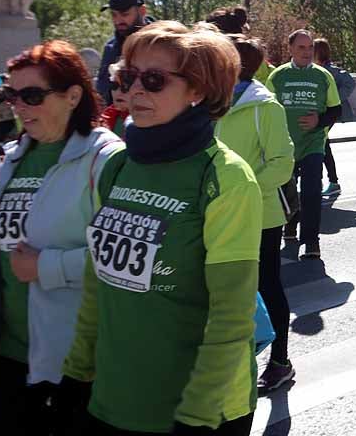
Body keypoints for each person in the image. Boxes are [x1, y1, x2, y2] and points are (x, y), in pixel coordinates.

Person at [61, 21, 262, 435]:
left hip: (197, 410)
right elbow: (97, 282)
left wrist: (198, 414)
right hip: (114, 398)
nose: (134, 90)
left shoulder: (225, 177)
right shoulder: (118, 165)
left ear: (198, 90)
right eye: (127, 76)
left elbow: (231, 315)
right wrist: (77, 373)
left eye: (153, 80)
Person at [0, 41, 122, 435]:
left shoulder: (105, 158)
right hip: (8, 351)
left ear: (73, 96)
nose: (18, 107)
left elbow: (123, 258)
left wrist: (46, 266)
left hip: (71, 358)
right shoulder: (12, 155)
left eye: (31, 95)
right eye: (12, 95)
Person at [215, 34, 297, 393]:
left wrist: (241, 193)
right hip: (218, 214)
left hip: (259, 214)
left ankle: (280, 361)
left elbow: (282, 164)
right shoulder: (210, 103)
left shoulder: (267, 107)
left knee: (266, 286)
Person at [267, 30, 342, 260]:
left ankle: (311, 242)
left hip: (313, 145)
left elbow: (336, 110)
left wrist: (318, 121)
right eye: (301, 48)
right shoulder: (277, 77)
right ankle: (289, 229)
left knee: (311, 193)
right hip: (285, 147)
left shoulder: (323, 76)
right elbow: (267, 111)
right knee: (287, 192)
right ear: (290, 49)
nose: (307, 52)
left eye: (310, 48)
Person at [95, 0, 152, 104]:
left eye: (124, 14)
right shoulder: (110, 48)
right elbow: (102, 91)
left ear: (142, 11)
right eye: (114, 15)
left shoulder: (162, 44)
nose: (118, 21)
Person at [313, 38, 355, 196]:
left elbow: (350, 82)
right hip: (320, 114)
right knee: (323, 145)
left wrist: (335, 98)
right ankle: (330, 181)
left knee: (321, 145)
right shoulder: (314, 68)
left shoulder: (331, 70)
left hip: (327, 114)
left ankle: (328, 181)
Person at [98, 60, 130, 138]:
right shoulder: (104, 118)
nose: (118, 91)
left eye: (125, 86)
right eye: (114, 85)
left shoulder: (148, 123)